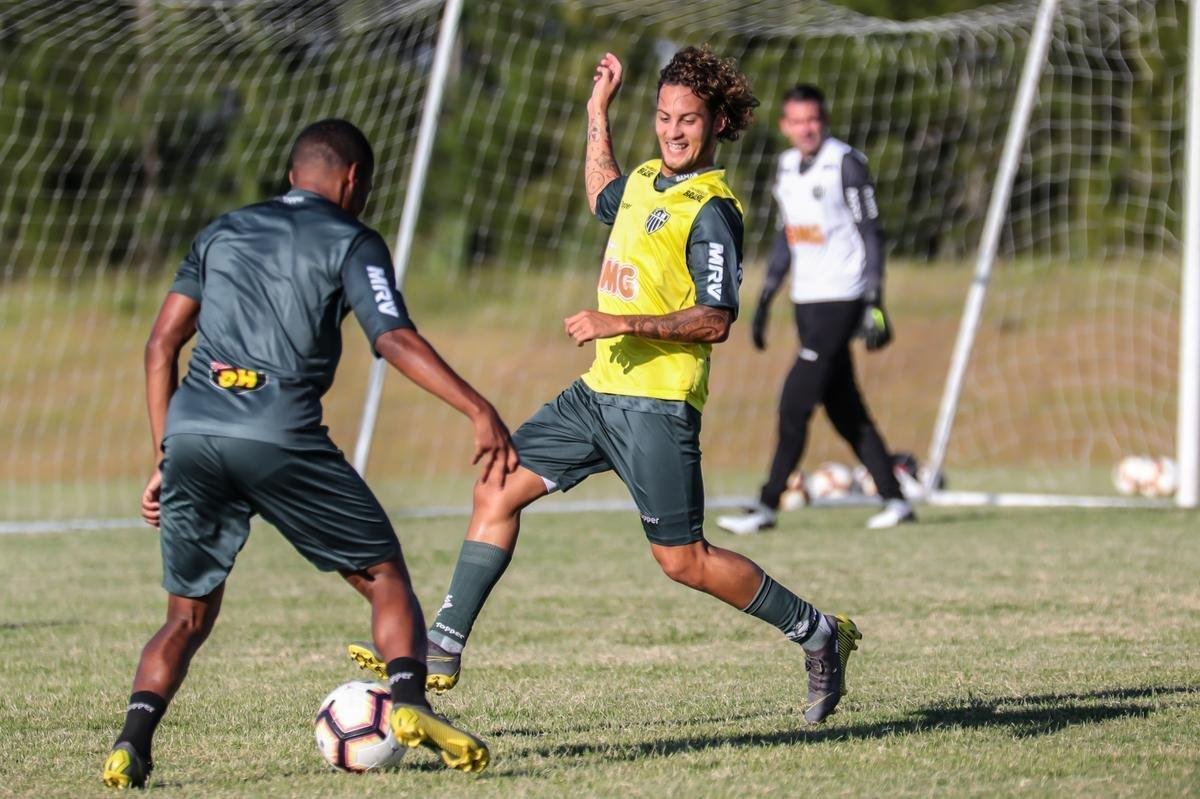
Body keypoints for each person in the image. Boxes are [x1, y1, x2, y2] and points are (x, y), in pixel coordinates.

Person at [347, 48, 861, 727]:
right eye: (664, 117)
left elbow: (716, 319)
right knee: (496, 484)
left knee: (684, 561)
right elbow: (602, 196)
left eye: (689, 120)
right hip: (596, 394)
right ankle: (442, 645)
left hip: (657, 407)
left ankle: (818, 631)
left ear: (719, 124)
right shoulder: (647, 178)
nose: (673, 131)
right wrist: (598, 112)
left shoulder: (714, 210)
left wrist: (618, 319)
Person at [100, 119, 516, 788]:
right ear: (353, 181)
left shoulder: (222, 230)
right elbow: (393, 338)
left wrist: (166, 451)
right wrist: (477, 407)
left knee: (185, 616)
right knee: (385, 577)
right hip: (280, 431)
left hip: (196, 431)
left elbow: (159, 347)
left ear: (294, 175)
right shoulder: (352, 238)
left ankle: (130, 743)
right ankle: (408, 701)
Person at [716, 84, 916, 535]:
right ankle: (895, 498)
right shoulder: (786, 168)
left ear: (823, 120)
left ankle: (767, 505)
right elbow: (790, 237)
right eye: (798, 120)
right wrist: (766, 297)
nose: (807, 128)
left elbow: (872, 234)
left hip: (842, 299)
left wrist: (875, 303)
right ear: (785, 126)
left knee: (793, 404)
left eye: (814, 119)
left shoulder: (846, 163)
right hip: (805, 302)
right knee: (846, 410)